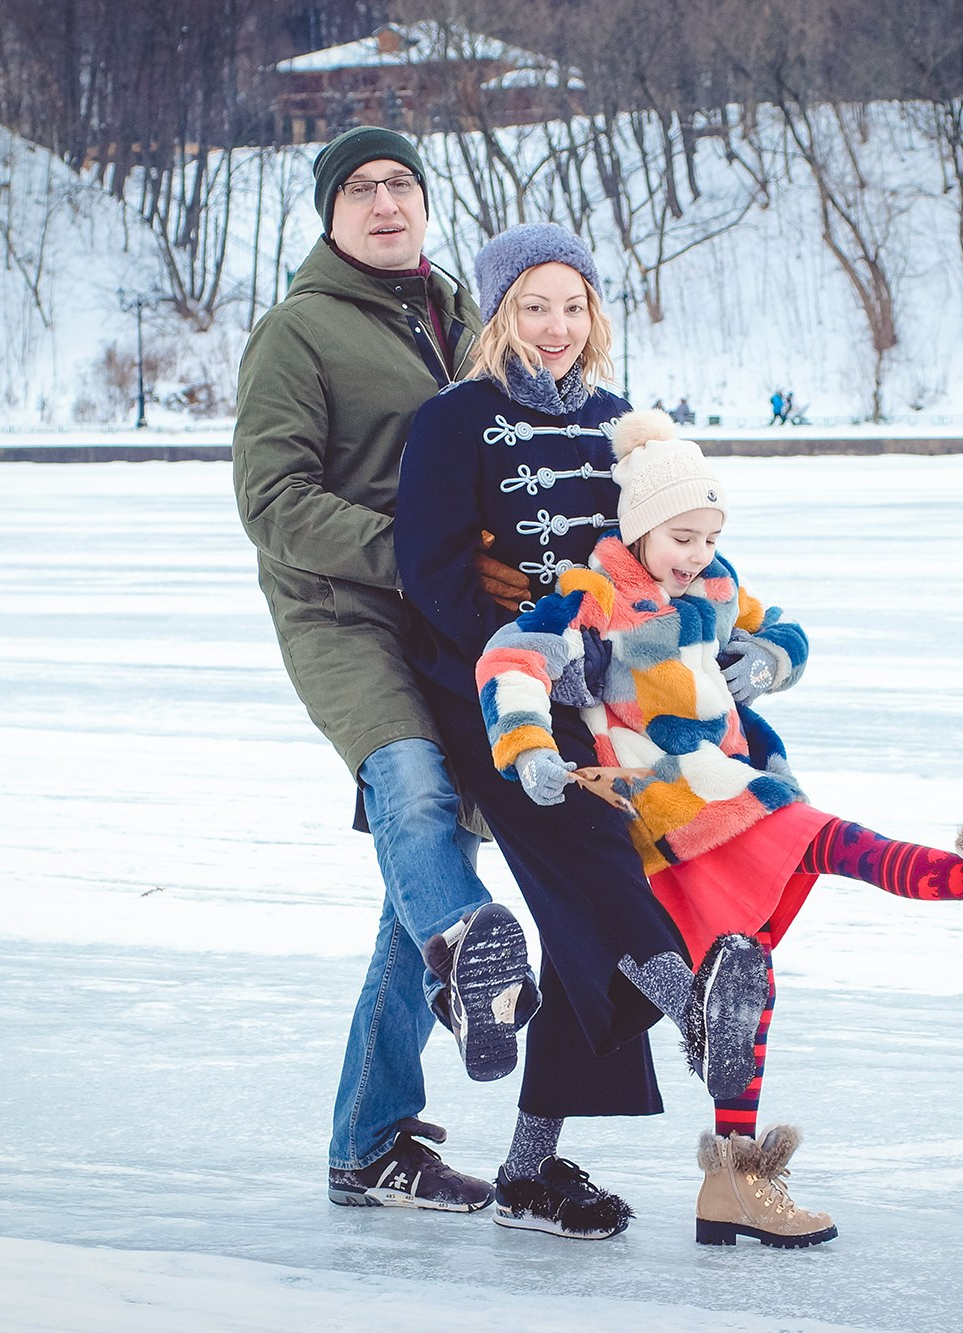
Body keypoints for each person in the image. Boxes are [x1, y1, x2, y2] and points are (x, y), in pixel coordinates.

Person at [474, 408, 963, 1248]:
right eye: (681, 537)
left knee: (743, 981)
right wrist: (528, 748)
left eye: (709, 537)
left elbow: (783, 629)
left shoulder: (716, 586)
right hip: (674, 801)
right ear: (640, 526)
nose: (697, 554)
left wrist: (769, 658)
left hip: (728, 789)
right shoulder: (600, 594)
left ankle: (731, 1182)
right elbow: (510, 657)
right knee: (832, 842)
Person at [395, 223, 772, 1241]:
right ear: (498, 315)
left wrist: (731, 633)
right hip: (495, 694)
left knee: (579, 930)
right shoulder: (454, 420)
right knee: (597, 866)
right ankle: (698, 1016)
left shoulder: (618, 421)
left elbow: (670, 547)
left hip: (612, 697)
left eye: (572, 306)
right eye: (533, 306)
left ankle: (527, 1172)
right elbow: (430, 572)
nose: (555, 327)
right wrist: (524, 642)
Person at [231, 125, 543, 1216]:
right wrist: (413, 556)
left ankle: (368, 1142)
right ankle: (467, 950)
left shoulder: (466, 318)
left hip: (452, 614)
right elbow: (271, 502)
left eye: (401, 182)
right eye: (360, 187)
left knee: (417, 878)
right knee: (411, 787)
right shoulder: (296, 332)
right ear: (330, 213)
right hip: (341, 611)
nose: (384, 202)